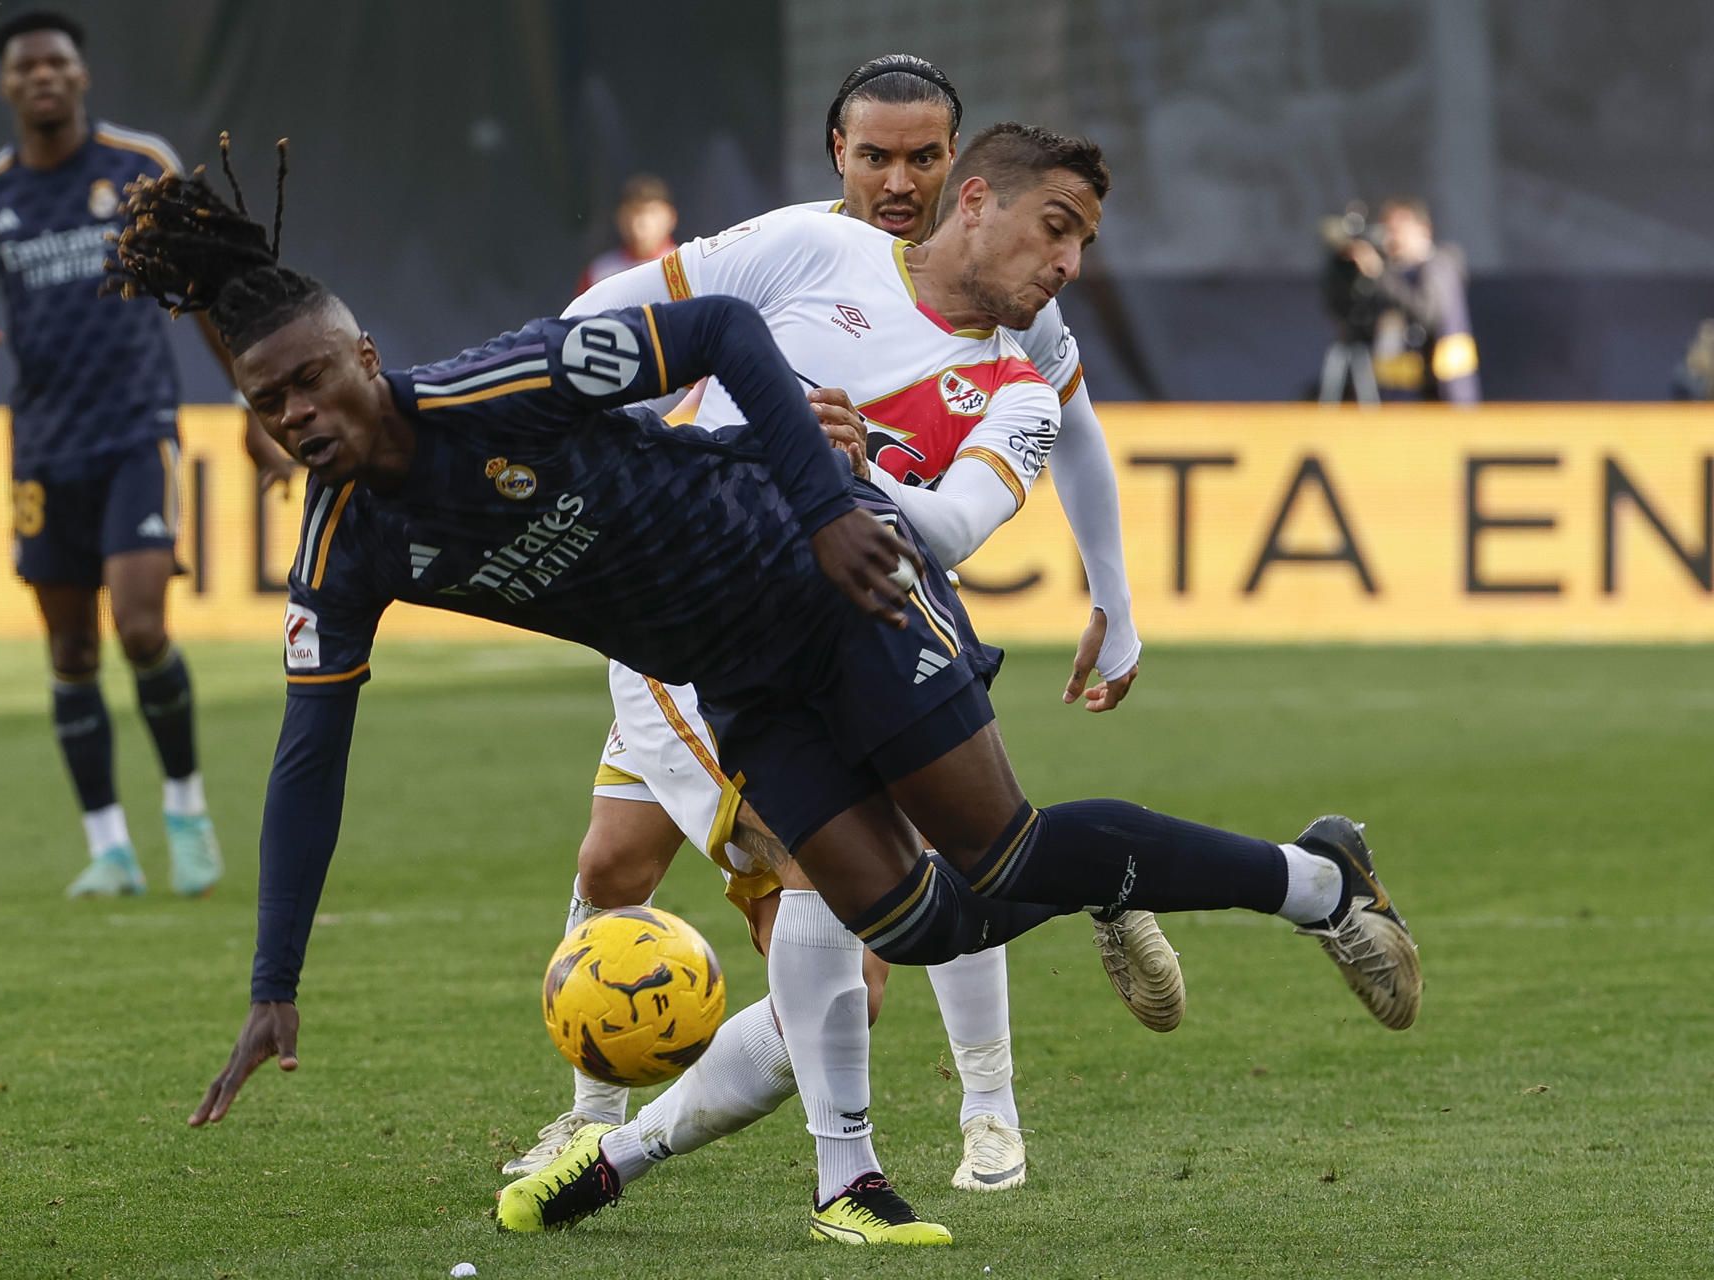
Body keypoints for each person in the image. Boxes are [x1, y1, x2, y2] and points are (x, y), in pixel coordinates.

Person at [133, 139, 1419, 1244]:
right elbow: (310, 759)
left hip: (825, 580)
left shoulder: (503, 386)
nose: (297, 413)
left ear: (362, 353)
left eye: (311, 378)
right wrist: (272, 981)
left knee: (1004, 842)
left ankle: (1319, 887)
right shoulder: (340, 552)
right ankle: (1196, 878)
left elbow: (721, 331)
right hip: (734, 671)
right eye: (267, 401)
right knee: (915, 923)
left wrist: (823, 509)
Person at [502, 67, 1164, 1235]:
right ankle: (607, 1123)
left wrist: (1113, 593)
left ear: (964, 174)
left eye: (924, 159)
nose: (899, 183)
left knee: (727, 881)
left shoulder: (1013, 290)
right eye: (876, 158)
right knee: (691, 883)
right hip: (710, 617)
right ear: (836, 156)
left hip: (865, 610)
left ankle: (971, 1112)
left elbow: (1073, 431)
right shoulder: (794, 247)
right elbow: (596, 339)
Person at [0, 10, 286, 898]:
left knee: (141, 625)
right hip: (44, 448)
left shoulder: (139, 167)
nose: (43, 77)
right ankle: (109, 848)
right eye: (26, 67)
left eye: (58, 62)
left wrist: (253, 400)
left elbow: (203, 292)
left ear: (82, 77)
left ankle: (187, 811)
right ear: (6, 85)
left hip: (137, 430)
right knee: (71, 652)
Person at [1346, 198, 1480, 404]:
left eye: (1399, 229)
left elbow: (1426, 312)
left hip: (1442, 396)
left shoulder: (1439, 266)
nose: (1393, 238)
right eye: (1388, 230)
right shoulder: (1394, 274)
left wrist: (1380, 275)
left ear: (1424, 230)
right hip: (1394, 396)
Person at [576, 174, 679, 293]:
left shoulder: (686, 266)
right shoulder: (600, 272)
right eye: (632, 212)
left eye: (651, 212)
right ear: (619, 217)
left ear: (671, 217)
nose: (641, 221)